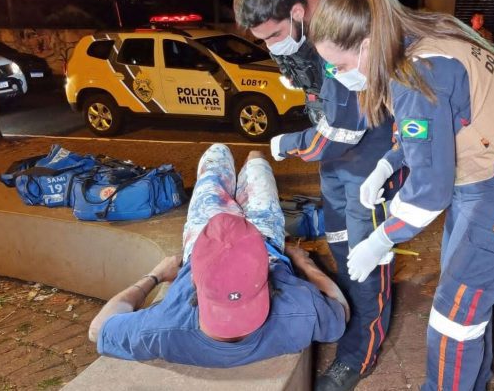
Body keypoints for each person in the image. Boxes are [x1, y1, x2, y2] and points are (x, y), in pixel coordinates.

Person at [309, 0, 494, 390]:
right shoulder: (420, 39)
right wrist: (388, 164)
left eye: (339, 66)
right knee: (465, 304)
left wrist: (380, 239)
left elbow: (429, 193)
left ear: (367, 45)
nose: (338, 77)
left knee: (453, 314)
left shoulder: (415, 74)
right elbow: (435, 126)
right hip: (491, 175)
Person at [233, 0, 404, 390]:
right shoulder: (295, 20)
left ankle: (358, 354)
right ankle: (351, 316)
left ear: (297, 11)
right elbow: (313, 95)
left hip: (368, 159)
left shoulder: (338, 29)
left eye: (274, 35)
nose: (272, 46)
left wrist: (287, 145)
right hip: (335, 160)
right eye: (262, 40)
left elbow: (340, 133)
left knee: (367, 257)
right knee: (341, 244)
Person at [88, 144, 348, 367]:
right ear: (268, 286)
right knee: (257, 158)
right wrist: (305, 263)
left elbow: (98, 328)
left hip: (207, 232)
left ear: (194, 284)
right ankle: (250, 158)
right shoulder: (297, 314)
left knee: (218, 152)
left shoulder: (165, 329)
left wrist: (155, 275)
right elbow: (342, 311)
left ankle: (227, 153)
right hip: (264, 237)